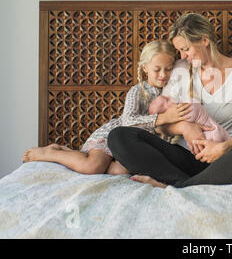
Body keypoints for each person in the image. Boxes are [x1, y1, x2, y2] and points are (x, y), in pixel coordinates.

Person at [107, 13, 232, 188]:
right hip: (182, 156)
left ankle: (178, 184)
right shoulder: (180, 69)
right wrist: (185, 128)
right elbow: (162, 124)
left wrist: (223, 148)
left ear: (205, 40)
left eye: (185, 49)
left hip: (223, 160)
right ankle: (185, 182)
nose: (182, 56)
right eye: (179, 51)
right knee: (119, 136)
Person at [22, 41, 193, 175]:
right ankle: (51, 153)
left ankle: (70, 152)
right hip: (113, 136)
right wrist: (162, 118)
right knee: (93, 166)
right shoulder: (137, 91)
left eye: (169, 69)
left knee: (121, 172)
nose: (163, 75)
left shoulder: (174, 93)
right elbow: (128, 121)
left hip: (135, 147)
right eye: (157, 69)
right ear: (145, 68)